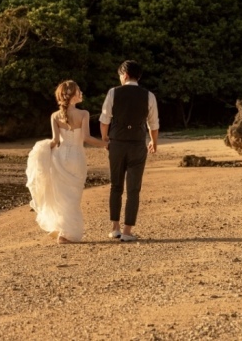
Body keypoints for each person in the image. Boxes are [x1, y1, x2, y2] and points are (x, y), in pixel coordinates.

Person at [26, 80, 107, 244]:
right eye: (79, 91)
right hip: (77, 157)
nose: (81, 93)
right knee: (73, 196)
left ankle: (63, 230)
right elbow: (86, 138)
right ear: (72, 95)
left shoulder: (54, 116)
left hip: (60, 157)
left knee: (61, 195)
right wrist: (106, 144)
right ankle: (66, 233)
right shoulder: (83, 114)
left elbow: (55, 141)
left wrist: (41, 150)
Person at [99, 60, 159, 242]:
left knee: (115, 186)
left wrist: (105, 139)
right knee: (134, 189)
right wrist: (154, 142)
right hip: (137, 144)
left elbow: (104, 119)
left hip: (117, 143)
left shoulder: (113, 92)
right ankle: (127, 230)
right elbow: (153, 123)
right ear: (137, 76)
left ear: (124, 75)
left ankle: (115, 228)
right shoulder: (149, 96)